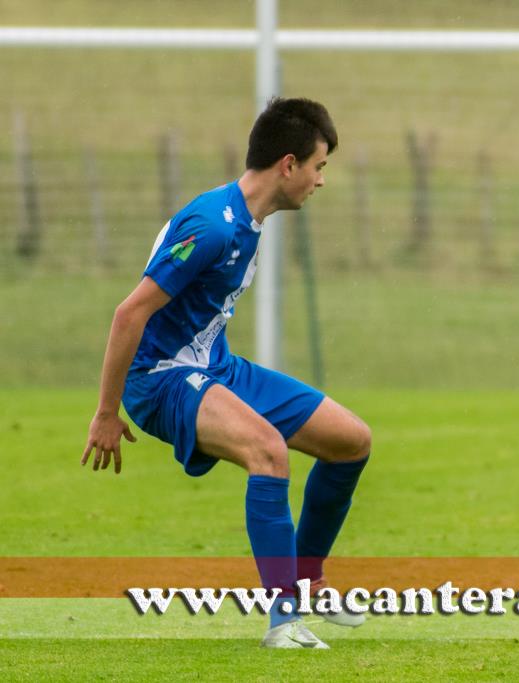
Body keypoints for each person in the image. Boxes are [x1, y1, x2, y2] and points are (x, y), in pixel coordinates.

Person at [81, 97, 371, 649]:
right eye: (319, 166)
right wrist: (106, 412)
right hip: (162, 378)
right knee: (268, 452)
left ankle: (308, 579)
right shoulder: (212, 226)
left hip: (215, 367)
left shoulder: (249, 219)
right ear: (288, 165)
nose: (320, 180)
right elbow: (130, 313)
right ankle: (283, 622)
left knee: (351, 441)